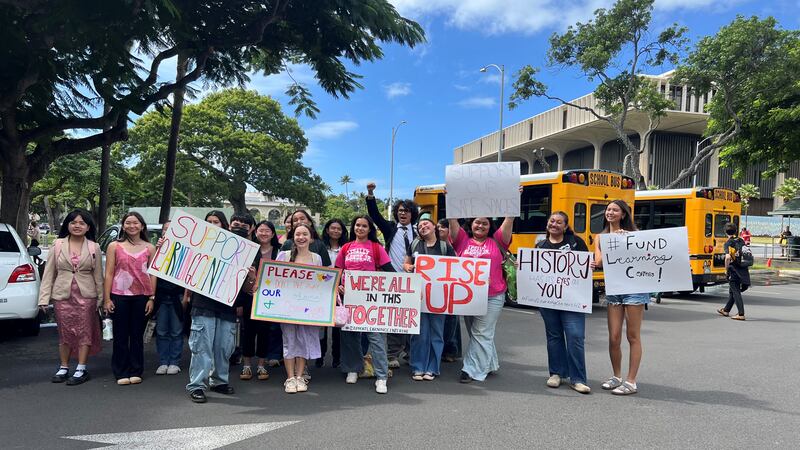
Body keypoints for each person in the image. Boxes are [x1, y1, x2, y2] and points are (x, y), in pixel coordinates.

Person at [186, 211, 259, 403]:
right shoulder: (201, 245)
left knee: (223, 348)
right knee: (202, 346)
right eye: (209, 222)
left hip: (228, 307)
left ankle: (219, 381)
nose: (213, 225)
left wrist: (251, 277)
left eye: (216, 222)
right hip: (203, 305)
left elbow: (248, 288)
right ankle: (197, 385)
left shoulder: (247, 251)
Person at [38, 209, 104, 386]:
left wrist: (101, 299)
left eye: (82, 223)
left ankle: (81, 368)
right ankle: (64, 367)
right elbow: (49, 273)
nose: (77, 226)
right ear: (67, 225)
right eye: (74, 222)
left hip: (87, 296)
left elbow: (98, 275)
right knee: (65, 332)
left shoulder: (93, 247)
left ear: (88, 227)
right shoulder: (58, 244)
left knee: (85, 331)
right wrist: (44, 298)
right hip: (62, 295)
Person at [448, 214, 514, 384]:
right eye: (477, 222)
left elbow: (509, 220)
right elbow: (452, 220)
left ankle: (470, 369)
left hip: (493, 295)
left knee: (481, 331)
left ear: (490, 226)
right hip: (468, 296)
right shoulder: (462, 239)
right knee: (476, 332)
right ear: (471, 224)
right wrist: (451, 202)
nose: (481, 226)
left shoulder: (499, 239)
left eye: (485, 223)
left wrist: (513, 202)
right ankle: (490, 363)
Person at [336, 215, 396, 394]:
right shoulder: (346, 248)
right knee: (350, 336)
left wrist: (413, 289)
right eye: (357, 225)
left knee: (375, 337)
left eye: (364, 226)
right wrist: (338, 285)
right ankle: (353, 368)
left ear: (370, 229)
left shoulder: (377, 248)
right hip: (349, 298)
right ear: (353, 227)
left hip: (371, 299)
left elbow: (390, 272)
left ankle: (381, 376)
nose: (360, 228)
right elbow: (338, 271)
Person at [593, 200, 647, 396]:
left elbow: (645, 257)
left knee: (632, 335)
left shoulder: (635, 235)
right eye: (608, 209)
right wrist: (611, 242)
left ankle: (631, 381)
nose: (610, 212)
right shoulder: (600, 237)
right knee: (613, 336)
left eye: (615, 210)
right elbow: (598, 261)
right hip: (614, 288)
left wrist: (627, 239)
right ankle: (616, 376)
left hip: (635, 288)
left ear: (623, 214)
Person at [536, 212, 591, 394]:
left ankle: (578, 379)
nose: (555, 224)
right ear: (547, 224)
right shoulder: (540, 246)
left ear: (565, 226)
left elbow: (585, 265)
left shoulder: (576, 242)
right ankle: (556, 373)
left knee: (575, 336)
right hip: (548, 300)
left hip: (573, 300)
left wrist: (590, 265)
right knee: (554, 337)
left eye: (559, 222)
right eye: (552, 221)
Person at [365, 182, 419, 368]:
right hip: (393, 279)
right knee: (396, 318)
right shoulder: (390, 228)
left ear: (413, 214)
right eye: (400, 211)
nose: (403, 214)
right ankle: (392, 354)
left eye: (407, 211)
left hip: (414, 281)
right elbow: (374, 215)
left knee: (413, 318)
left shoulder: (419, 230)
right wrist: (371, 194)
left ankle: (412, 353)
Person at [103, 212, 157, 386]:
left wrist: (152, 297)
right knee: (120, 335)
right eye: (128, 223)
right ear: (123, 226)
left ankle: (136, 370)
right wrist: (106, 299)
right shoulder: (114, 246)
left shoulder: (150, 248)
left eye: (136, 223)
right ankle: (120, 371)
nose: (132, 226)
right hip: (119, 296)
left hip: (142, 296)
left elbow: (153, 274)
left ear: (142, 226)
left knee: (136, 335)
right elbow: (109, 273)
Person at [403, 217, 456, 381]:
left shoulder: (445, 246)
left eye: (426, 223)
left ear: (435, 227)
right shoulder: (414, 245)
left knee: (436, 333)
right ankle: (418, 367)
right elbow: (406, 263)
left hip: (438, 298)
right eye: (419, 225)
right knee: (418, 333)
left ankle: (433, 368)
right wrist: (408, 267)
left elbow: (456, 267)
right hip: (417, 295)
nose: (422, 226)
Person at [275, 224, 324, 393]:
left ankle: (300, 376)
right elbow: (274, 278)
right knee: (289, 340)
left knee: (304, 339)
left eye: (305, 234)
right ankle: (289, 378)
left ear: (311, 238)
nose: (301, 237)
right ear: (292, 237)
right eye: (297, 234)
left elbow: (322, 282)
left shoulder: (317, 258)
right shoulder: (284, 255)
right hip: (287, 307)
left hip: (308, 308)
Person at [240, 220, 281, 381]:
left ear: (272, 233)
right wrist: (251, 279)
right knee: (248, 331)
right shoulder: (249, 251)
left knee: (265, 332)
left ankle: (262, 365)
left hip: (270, 299)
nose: (264, 233)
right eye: (261, 230)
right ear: (255, 232)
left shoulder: (280, 251)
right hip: (249, 296)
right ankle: (247, 365)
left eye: (267, 231)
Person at [154, 221, 185, 376]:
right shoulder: (155, 248)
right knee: (161, 331)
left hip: (177, 296)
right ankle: (163, 361)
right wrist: (159, 249)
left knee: (176, 331)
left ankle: (174, 362)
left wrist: (186, 297)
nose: (169, 231)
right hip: (160, 296)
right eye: (166, 229)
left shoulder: (186, 250)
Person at [318, 219, 349, 368]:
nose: (336, 231)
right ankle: (320, 355)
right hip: (322, 289)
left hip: (341, 289)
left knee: (338, 324)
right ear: (327, 230)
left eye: (339, 229)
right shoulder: (320, 246)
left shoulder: (347, 248)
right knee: (321, 325)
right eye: (333, 228)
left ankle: (337, 356)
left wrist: (340, 285)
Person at [437, 217, 461, 362]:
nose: (439, 229)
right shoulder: (433, 244)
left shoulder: (454, 245)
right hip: (437, 287)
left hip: (453, 287)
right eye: (438, 227)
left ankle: (451, 349)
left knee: (452, 320)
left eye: (443, 227)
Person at [717, 222, 751, 321]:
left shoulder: (728, 243)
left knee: (735, 292)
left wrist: (726, 269)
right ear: (736, 231)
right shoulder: (741, 240)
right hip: (743, 269)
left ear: (725, 232)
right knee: (733, 291)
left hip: (734, 270)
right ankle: (726, 310)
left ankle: (741, 314)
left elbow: (727, 257)